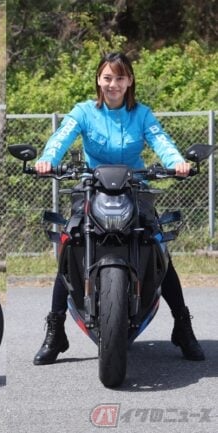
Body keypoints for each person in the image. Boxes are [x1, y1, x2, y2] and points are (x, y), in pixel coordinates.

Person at [32, 52, 205, 365]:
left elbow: (161, 140)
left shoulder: (142, 114)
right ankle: (55, 330)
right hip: (91, 187)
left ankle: (183, 326)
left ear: (130, 81)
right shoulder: (84, 111)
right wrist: (48, 160)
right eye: (108, 77)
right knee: (70, 246)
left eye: (120, 78)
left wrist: (177, 162)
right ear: (99, 80)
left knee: (158, 248)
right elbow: (61, 137)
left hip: (135, 188)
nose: (113, 84)